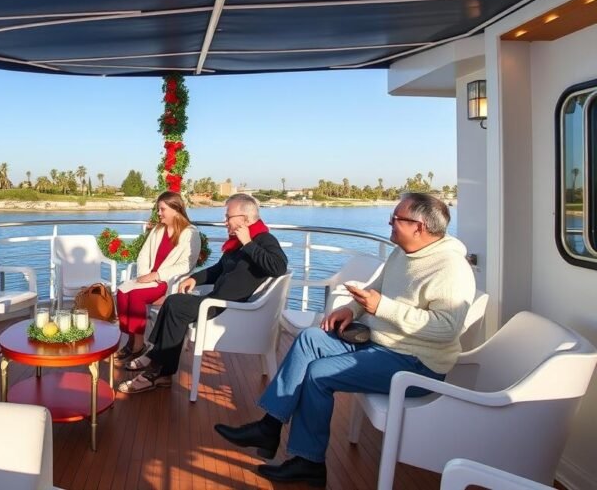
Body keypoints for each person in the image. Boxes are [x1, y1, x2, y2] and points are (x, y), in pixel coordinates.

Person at [214, 193, 475, 486]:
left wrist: (383, 308)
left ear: (420, 227)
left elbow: (447, 328)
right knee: (310, 338)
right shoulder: (402, 252)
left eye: (396, 219)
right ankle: (269, 425)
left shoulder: (451, 269)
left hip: (416, 362)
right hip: (382, 342)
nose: (389, 222)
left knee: (318, 374)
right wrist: (350, 309)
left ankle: (309, 463)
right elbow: (375, 289)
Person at [118, 193, 288, 394]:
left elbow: (279, 266)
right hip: (216, 300)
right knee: (173, 303)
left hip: (230, 309)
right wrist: (194, 279)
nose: (224, 222)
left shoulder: (263, 239)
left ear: (245, 219)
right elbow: (217, 270)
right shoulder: (236, 245)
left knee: (175, 305)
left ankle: (156, 368)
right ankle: (158, 364)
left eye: (228, 217)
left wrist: (249, 243)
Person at [114, 191, 200, 365]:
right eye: (158, 209)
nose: (159, 213)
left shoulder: (190, 233)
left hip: (166, 281)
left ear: (176, 209)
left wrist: (157, 275)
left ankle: (138, 345)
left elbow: (187, 264)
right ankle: (131, 340)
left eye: (162, 209)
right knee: (122, 293)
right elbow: (143, 255)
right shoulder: (157, 230)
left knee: (136, 296)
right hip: (149, 278)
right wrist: (144, 275)